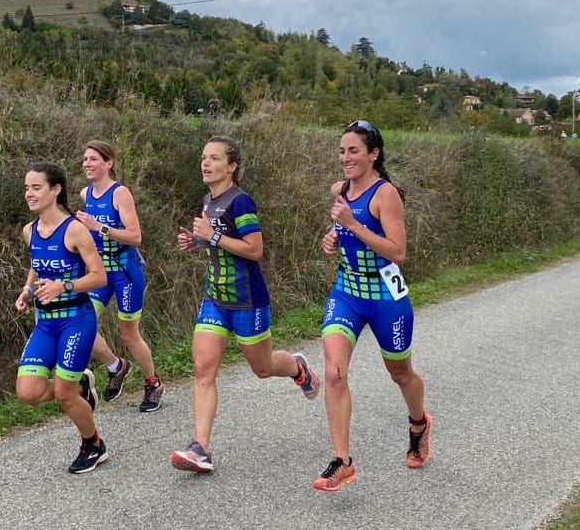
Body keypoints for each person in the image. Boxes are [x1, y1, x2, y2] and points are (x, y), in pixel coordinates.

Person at [171, 135, 319, 474]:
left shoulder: (241, 202)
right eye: (203, 157)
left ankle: (298, 367)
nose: (205, 164)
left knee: (263, 368)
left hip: (248, 300)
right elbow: (218, 241)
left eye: (214, 159)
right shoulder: (209, 200)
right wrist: (196, 241)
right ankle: (201, 448)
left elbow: (254, 249)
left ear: (232, 166)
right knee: (203, 368)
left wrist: (212, 236)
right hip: (214, 298)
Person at [313, 119, 430, 492]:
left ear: (373, 154)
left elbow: (398, 251)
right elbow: (345, 230)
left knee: (401, 374)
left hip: (385, 298)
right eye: (342, 151)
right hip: (347, 292)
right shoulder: (339, 189)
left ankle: (419, 423)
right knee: (334, 373)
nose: (345, 158)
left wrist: (351, 223)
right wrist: (333, 237)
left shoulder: (386, 194)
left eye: (354, 151)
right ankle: (343, 461)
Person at [14, 162, 110, 474]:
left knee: (62, 394)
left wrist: (64, 286)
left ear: (55, 190)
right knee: (27, 392)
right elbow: (37, 267)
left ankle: (93, 444)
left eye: (36, 187)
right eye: (27, 188)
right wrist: (27, 290)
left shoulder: (74, 230)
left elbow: (99, 277)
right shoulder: (30, 231)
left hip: (76, 320)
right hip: (45, 323)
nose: (29, 194)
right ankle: (80, 385)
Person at [73, 140, 165, 412]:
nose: (87, 164)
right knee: (82, 325)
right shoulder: (85, 194)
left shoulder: (119, 193)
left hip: (126, 271)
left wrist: (98, 227)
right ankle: (116, 366)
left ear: (109, 163)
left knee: (128, 334)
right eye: (85, 159)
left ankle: (153, 383)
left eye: (93, 159)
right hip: (100, 273)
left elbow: (136, 237)